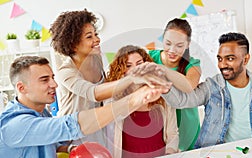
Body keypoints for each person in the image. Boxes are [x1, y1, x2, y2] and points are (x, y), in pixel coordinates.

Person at [0, 56, 169, 158]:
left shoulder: (40, 113)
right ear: (21, 88)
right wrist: (133, 99)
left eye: (52, 78)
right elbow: (73, 124)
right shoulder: (14, 125)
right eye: (45, 80)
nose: (54, 84)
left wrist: (70, 149)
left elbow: (52, 141)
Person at [161, 32, 252, 152]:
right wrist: (160, 82)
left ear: (245, 59)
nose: (222, 64)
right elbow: (181, 101)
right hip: (213, 155)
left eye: (230, 58)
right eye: (220, 59)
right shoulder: (212, 86)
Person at [49, 9, 166, 149]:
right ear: (73, 43)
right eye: (89, 37)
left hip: (98, 128)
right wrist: (131, 78)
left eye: (95, 34)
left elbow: (108, 88)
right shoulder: (66, 71)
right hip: (75, 134)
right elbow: (95, 93)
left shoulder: (96, 57)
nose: (97, 40)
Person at [106, 45, 179, 158]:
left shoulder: (162, 96)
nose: (136, 69)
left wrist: (169, 155)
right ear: (121, 70)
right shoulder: (114, 98)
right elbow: (113, 115)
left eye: (139, 63)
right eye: (128, 66)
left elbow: (172, 134)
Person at [149, 18, 202, 151]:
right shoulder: (150, 57)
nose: (172, 50)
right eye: (168, 43)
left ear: (188, 44)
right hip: (160, 123)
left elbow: (189, 86)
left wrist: (163, 69)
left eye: (179, 46)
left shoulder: (193, 65)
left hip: (187, 124)